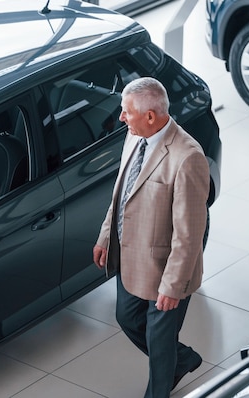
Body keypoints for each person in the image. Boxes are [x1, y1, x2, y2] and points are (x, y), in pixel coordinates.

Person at [93, 77, 209, 397]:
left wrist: (173, 286)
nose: (121, 117)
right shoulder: (135, 135)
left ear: (150, 115)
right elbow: (122, 193)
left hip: (165, 269)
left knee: (159, 346)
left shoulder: (188, 158)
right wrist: (106, 236)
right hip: (131, 258)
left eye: (126, 112)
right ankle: (182, 358)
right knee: (127, 318)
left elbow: (189, 234)